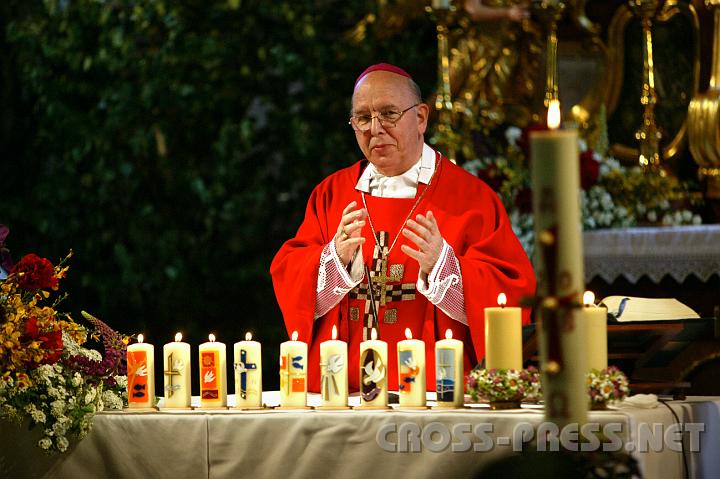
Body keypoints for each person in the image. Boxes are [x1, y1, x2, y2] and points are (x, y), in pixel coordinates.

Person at [270, 63, 535, 393]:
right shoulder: (332, 194)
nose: (375, 129)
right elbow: (288, 274)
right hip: (341, 390)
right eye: (363, 118)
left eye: (389, 113)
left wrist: (444, 266)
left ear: (421, 118)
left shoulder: (471, 198)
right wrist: (333, 259)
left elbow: (510, 293)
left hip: (436, 391)